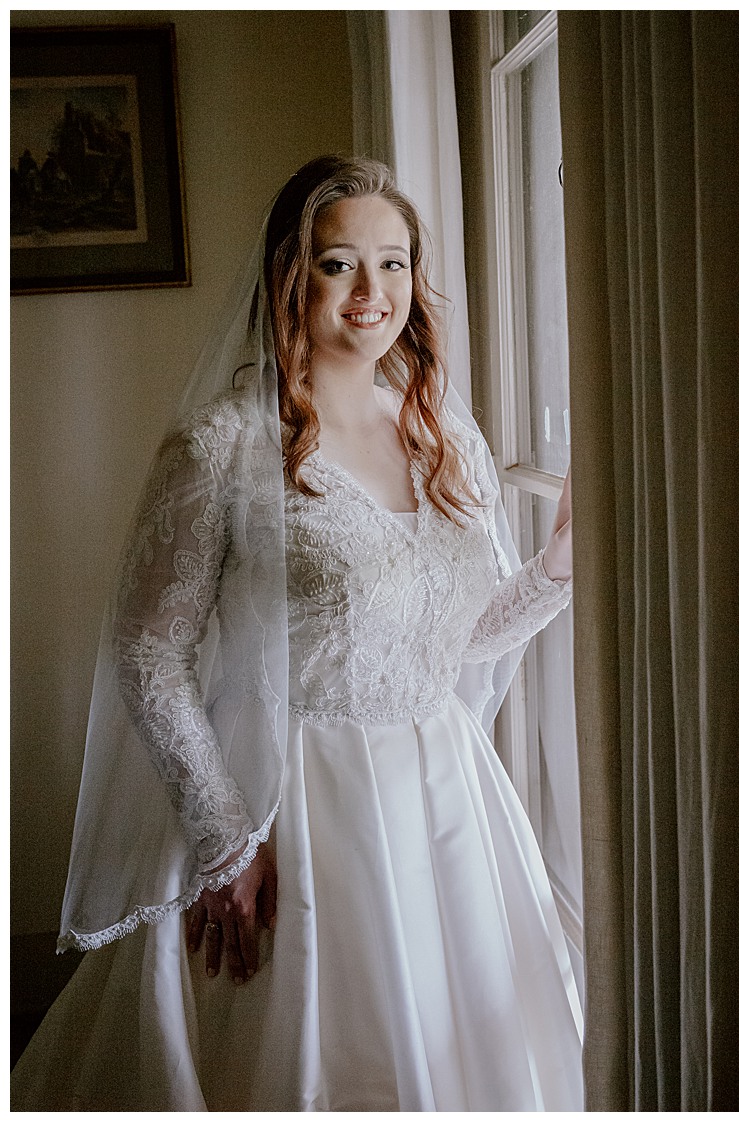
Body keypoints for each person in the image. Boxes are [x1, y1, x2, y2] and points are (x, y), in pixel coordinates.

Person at [13, 155, 584, 1109]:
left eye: (395, 263)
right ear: (292, 274)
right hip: (292, 798)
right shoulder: (224, 444)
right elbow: (149, 652)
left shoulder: (445, 431)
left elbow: (453, 641)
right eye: (339, 264)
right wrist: (227, 840)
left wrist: (555, 570)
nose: (373, 292)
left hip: (446, 798)